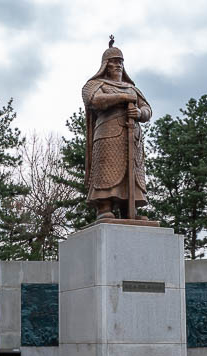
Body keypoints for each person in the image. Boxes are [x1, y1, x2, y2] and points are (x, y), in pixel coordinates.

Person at [82, 36, 152, 220]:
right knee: (107, 171)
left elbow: (147, 109)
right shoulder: (95, 85)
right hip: (107, 134)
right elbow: (94, 101)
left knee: (132, 172)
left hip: (132, 137)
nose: (118, 65)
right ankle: (104, 208)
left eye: (120, 61)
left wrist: (139, 113)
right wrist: (123, 98)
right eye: (113, 62)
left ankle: (130, 210)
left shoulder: (132, 88)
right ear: (105, 64)